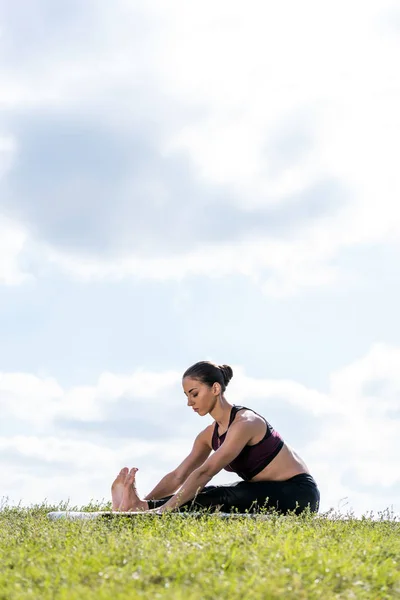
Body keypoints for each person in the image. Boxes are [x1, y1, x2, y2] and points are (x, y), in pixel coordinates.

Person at [111, 361, 320, 515]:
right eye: (186, 396)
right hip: (260, 490)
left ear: (215, 388)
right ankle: (138, 506)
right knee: (213, 492)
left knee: (219, 495)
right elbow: (178, 476)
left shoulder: (246, 423)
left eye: (194, 394)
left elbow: (206, 472)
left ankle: (142, 508)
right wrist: (144, 504)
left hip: (299, 494)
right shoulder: (207, 436)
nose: (190, 403)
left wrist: (163, 510)